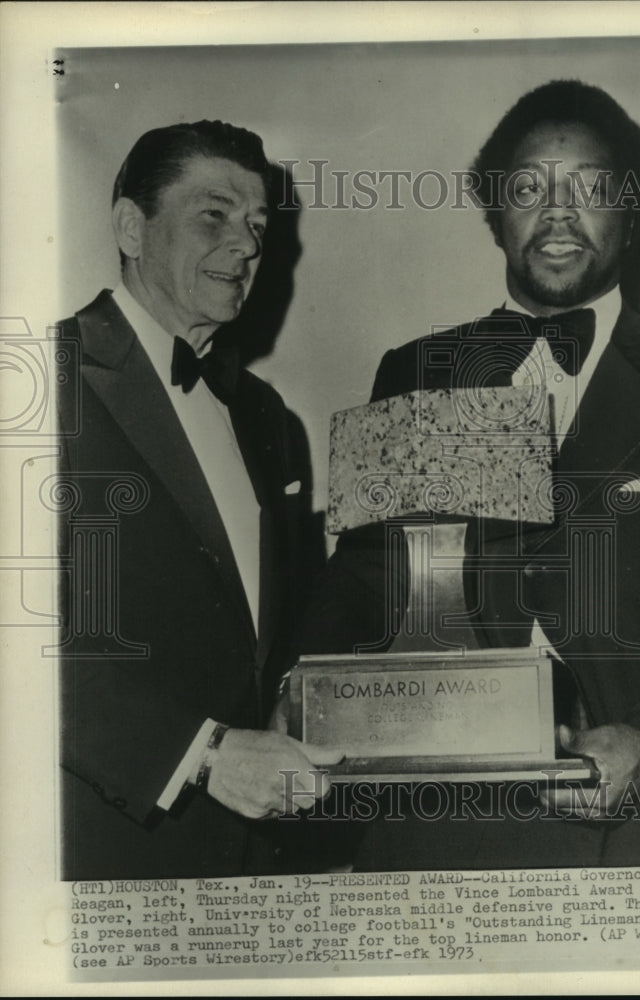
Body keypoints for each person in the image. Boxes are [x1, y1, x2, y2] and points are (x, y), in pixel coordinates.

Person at [299, 81, 640, 868]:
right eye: (528, 189)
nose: (557, 213)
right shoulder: (418, 371)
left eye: (590, 189)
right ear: (494, 213)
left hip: (637, 830)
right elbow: (362, 582)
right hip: (436, 826)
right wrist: (291, 710)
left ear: (631, 214)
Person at [56, 120, 339, 880]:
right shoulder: (40, 383)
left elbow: (280, 629)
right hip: (106, 848)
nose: (246, 244)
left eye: (256, 225)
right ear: (130, 225)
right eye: (213, 214)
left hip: (262, 855)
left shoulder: (268, 416)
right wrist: (203, 753)